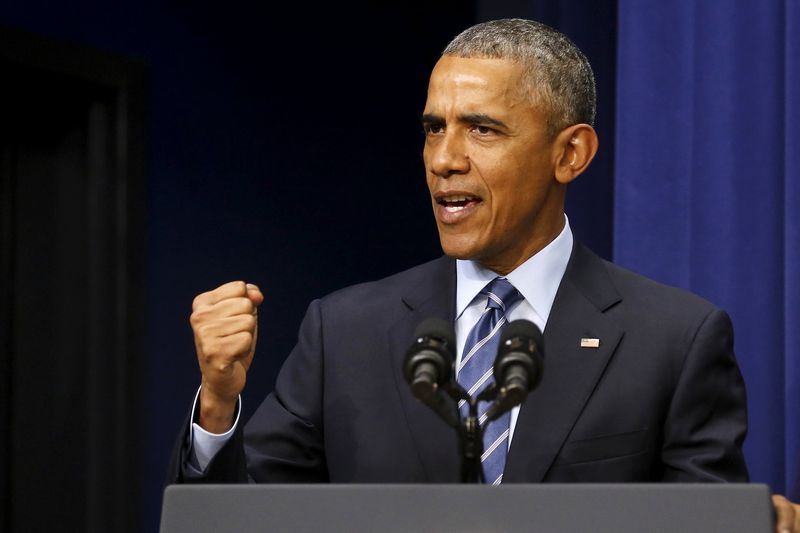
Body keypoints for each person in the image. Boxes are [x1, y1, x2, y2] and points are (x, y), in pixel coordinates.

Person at [168, 17, 798, 531]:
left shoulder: (676, 338)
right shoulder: (345, 329)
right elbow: (245, 520)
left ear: (569, 154)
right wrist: (220, 404)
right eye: (434, 128)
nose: (444, 159)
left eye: (482, 129)